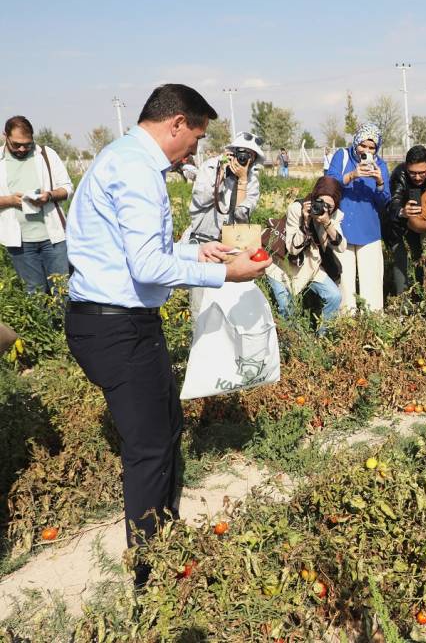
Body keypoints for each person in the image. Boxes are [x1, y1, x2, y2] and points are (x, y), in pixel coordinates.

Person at [64, 84, 268, 587]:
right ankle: (148, 570)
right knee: (150, 445)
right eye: (196, 137)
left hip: (120, 319)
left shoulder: (124, 159)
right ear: (176, 123)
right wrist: (227, 275)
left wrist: (197, 256)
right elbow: (147, 266)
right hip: (116, 325)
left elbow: (138, 254)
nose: (196, 151)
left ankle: (167, 529)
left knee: (167, 426)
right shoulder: (135, 169)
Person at [0, 115, 72, 294]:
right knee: (34, 293)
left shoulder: (46, 155)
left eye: (28, 144)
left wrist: (48, 196)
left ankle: (64, 323)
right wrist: (9, 200)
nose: (23, 148)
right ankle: (44, 324)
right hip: (20, 242)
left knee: (62, 291)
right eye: (17, 144)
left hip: (54, 239)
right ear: (5, 136)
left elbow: (67, 188)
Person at [264, 176, 346, 330]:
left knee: (334, 296)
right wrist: (306, 222)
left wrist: (327, 223)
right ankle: (290, 346)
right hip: (282, 264)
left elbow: (341, 247)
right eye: (321, 203)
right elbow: (293, 248)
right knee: (286, 308)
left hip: (310, 264)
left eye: (330, 206)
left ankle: (321, 340)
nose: (324, 208)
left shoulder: (334, 215)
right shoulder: (297, 209)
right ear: (315, 197)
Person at [326, 123, 390, 313]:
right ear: (356, 142)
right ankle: (347, 327)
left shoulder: (381, 165)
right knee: (344, 282)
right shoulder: (342, 156)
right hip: (341, 229)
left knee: (372, 282)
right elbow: (329, 182)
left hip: (369, 231)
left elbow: (385, 200)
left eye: (372, 147)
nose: (367, 151)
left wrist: (379, 182)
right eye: (363, 145)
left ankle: (374, 323)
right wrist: (352, 175)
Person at [185, 131, 264, 243]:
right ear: (233, 152)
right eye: (242, 152)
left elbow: (241, 216)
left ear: (254, 159)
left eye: (250, 155)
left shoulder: (251, 180)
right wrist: (220, 175)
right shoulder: (211, 167)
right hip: (202, 239)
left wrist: (242, 181)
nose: (244, 158)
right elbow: (200, 201)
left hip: (230, 243)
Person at [383, 145, 426, 295]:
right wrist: (402, 210)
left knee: (420, 256)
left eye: (422, 173)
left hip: (417, 221)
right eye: (412, 173)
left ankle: (421, 295)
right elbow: (393, 202)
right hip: (395, 220)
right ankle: (402, 302)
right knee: (400, 257)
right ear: (406, 167)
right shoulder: (399, 174)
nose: (417, 177)